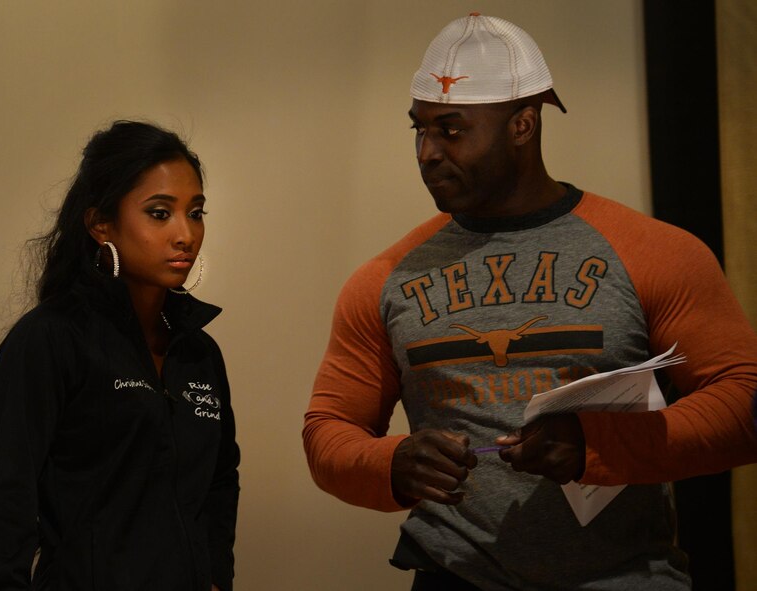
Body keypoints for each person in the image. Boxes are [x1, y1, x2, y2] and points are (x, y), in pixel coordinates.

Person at [303, 13, 757, 591]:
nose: (427, 152)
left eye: (451, 129)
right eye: (419, 129)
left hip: (626, 577)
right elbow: (329, 430)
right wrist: (391, 464)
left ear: (523, 124)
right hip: (455, 575)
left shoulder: (656, 252)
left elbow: (745, 404)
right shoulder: (384, 278)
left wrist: (597, 446)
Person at [0, 121, 240, 591]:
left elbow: (220, 479)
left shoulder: (200, 351)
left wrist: (216, 574)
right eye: (160, 214)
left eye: (195, 213)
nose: (186, 235)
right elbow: (5, 503)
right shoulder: (51, 340)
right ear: (101, 225)